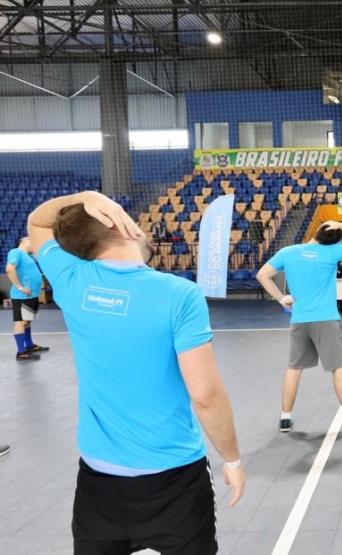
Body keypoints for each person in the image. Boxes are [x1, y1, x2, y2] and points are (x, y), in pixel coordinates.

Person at [27, 191, 246, 555]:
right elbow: (206, 396)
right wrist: (233, 460)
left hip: (98, 487)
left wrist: (85, 197)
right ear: (121, 225)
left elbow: (37, 220)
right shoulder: (180, 295)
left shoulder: (71, 280)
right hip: (175, 483)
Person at [256, 221, 342, 434]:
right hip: (326, 320)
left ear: (316, 232)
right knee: (338, 368)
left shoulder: (288, 252)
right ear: (335, 239)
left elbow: (262, 275)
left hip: (299, 320)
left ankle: (285, 418)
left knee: (294, 369)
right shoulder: (332, 252)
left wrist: (281, 298)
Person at [6, 237, 49, 361]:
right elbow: (9, 269)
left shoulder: (28, 256)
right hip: (21, 296)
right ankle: (21, 352)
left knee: (28, 321)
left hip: (31, 295)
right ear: (23, 241)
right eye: (31, 240)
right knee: (20, 322)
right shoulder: (16, 252)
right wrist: (19, 287)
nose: (33, 242)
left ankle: (29, 345)